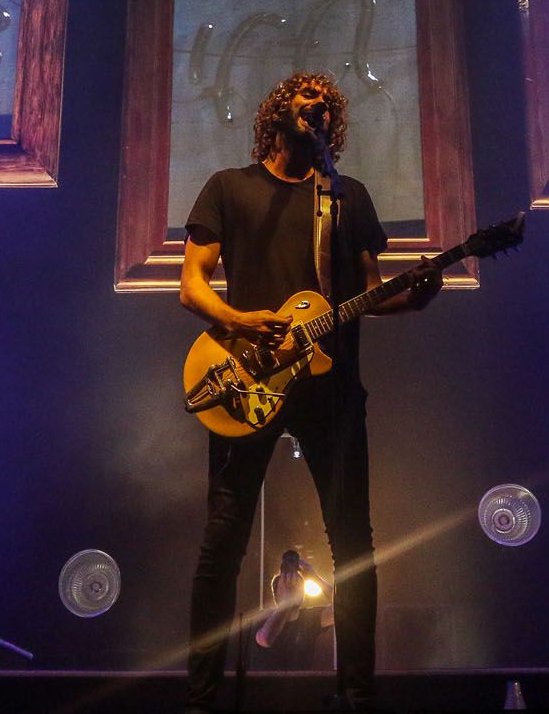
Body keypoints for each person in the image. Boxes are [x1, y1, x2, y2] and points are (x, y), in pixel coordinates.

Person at [179, 72, 441, 713]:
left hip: (333, 390)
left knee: (352, 541)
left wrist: (421, 294)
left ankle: (356, 694)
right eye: (306, 93)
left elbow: (374, 294)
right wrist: (240, 321)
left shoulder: (347, 198)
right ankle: (199, 699)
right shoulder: (228, 188)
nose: (317, 101)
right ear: (277, 110)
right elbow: (192, 286)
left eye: (327, 98)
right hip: (248, 376)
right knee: (225, 536)